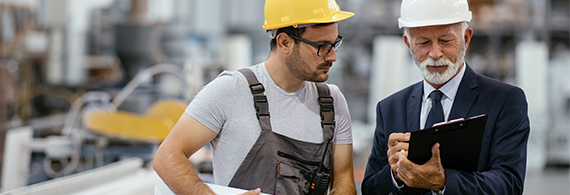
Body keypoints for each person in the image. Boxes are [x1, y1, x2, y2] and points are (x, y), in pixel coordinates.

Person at [153, 0, 357, 194]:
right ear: (285, 42)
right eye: (321, 47)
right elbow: (167, 157)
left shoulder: (332, 103)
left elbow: (343, 182)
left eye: (334, 44)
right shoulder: (231, 90)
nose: (332, 56)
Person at [361, 0, 530, 194]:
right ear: (408, 44)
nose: (435, 53)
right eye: (423, 43)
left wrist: (442, 181)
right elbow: (369, 189)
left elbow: (509, 185)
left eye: (446, 41)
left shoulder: (504, 101)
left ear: (466, 39)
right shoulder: (390, 108)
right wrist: (394, 174)